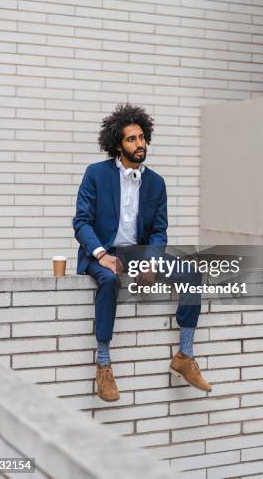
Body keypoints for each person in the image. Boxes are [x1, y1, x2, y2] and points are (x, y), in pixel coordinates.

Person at [72, 103, 212, 402]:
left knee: (191, 273)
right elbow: (82, 222)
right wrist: (101, 255)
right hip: (103, 252)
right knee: (109, 281)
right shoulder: (96, 174)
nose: (139, 144)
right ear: (117, 144)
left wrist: (150, 260)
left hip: (139, 253)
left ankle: (185, 356)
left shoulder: (156, 183)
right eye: (131, 139)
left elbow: (159, 230)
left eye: (141, 137)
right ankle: (104, 363)